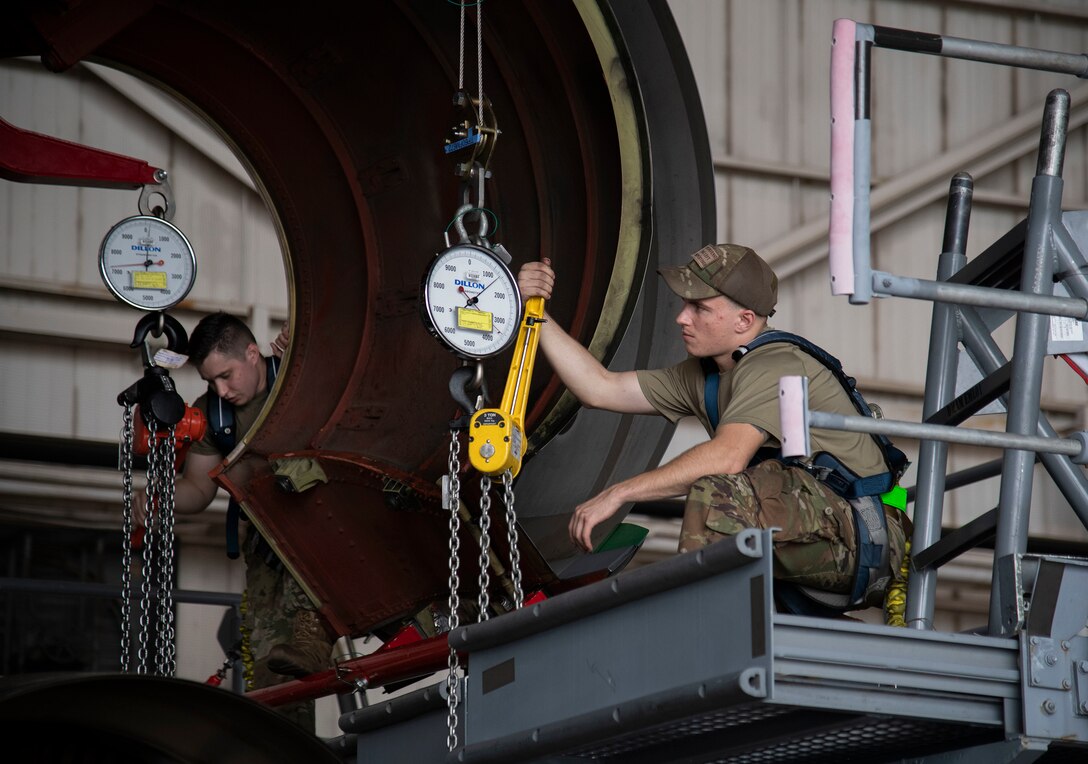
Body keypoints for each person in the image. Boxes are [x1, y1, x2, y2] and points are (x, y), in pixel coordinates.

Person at [517, 243, 910, 613]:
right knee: (723, 491)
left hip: (864, 538)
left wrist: (619, 493)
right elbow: (600, 388)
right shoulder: (709, 374)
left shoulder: (772, 364)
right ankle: (720, 621)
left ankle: (699, 627)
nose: (681, 317)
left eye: (699, 308)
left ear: (744, 320)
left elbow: (727, 457)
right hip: (810, 527)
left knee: (715, 490)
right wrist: (532, 311)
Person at [133, 313, 332, 731]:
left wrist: (309, 341)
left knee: (305, 632)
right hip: (266, 546)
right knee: (269, 670)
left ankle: (315, 634)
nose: (221, 389)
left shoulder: (298, 375)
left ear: (252, 353)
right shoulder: (214, 415)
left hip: (323, 529)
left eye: (225, 375)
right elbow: (198, 490)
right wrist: (157, 500)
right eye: (210, 382)